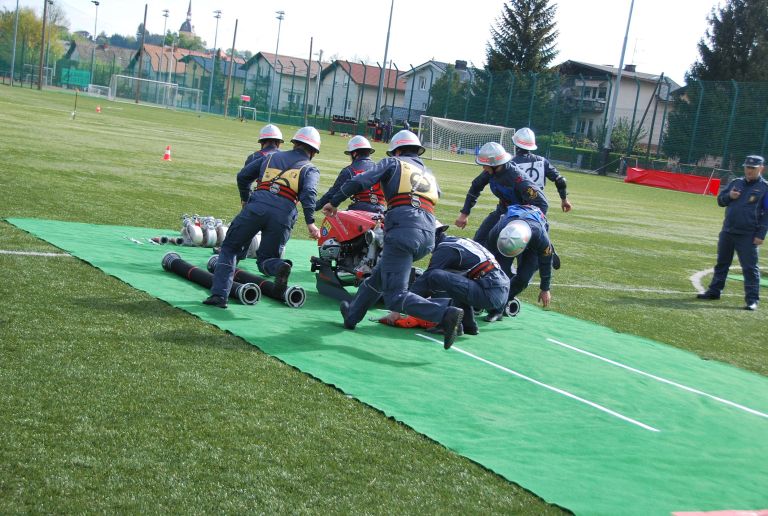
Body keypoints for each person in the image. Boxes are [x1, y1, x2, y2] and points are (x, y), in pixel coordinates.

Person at [321, 130, 464, 349]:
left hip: (403, 231)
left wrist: (334, 201)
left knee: (395, 296)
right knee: (378, 277)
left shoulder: (393, 162)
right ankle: (352, 315)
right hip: (428, 234)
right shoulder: (428, 172)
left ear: (397, 151)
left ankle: (445, 313)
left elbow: (361, 180)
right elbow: (437, 195)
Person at [204, 127, 322, 308]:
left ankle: (219, 296)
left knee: (230, 249)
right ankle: (279, 266)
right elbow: (309, 193)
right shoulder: (310, 169)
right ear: (313, 151)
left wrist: (245, 199)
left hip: (256, 207)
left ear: (295, 143)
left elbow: (243, 176)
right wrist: (310, 223)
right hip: (283, 215)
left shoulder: (270, 157)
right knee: (266, 259)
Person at [410, 222, 510, 335]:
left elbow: (427, 278)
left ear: (432, 235)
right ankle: (468, 325)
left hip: (490, 292)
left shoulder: (445, 248)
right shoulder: (455, 242)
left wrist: (405, 300)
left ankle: (446, 324)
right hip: (499, 289)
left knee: (436, 276)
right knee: (451, 279)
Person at [697, 155, 768, 311]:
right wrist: (730, 196)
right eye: (747, 167)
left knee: (750, 268)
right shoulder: (736, 183)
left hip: (748, 234)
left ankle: (752, 300)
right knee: (722, 263)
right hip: (728, 231)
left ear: (761, 169)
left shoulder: (765, 188)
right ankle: (714, 291)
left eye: (753, 168)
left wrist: (761, 234)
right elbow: (720, 201)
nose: (749, 170)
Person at [455, 142, 548, 250]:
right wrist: (464, 213)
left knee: (514, 251)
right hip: (503, 211)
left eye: (485, 165)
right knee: (479, 241)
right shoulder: (490, 172)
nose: (483, 168)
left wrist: (528, 227)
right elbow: (475, 187)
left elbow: (542, 204)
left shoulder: (518, 179)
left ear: (495, 165)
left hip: (521, 218)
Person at [485, 204, 554, 322]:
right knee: (500, 272)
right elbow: (486, 255)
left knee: (524, 278)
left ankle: (498, 307)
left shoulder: (540, 237)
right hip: (511, 223)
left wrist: (545, 288)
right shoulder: (497, 232)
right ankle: (493, 303)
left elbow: (546, 262)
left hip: (533, 240)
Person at [315, 135, 385, 214]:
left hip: (360, 210)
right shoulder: (381, 168)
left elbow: (332, 193)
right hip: (381, 212)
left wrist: (315, 206)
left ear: (354, 154)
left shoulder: (349, 170)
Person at [511, 127, 572, 213]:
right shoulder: (542, 161)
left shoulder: (510, 163)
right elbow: (560, 181)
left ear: (516, 144)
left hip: (515, 207)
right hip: (538, 206)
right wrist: (564, 200)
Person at [238, 124, 283, 207]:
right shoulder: (286, 157)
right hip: (283, 203)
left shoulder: (254, 157)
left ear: (261, 142)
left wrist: (245, 199)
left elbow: (244, 179)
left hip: (261, 201)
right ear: (278, 143)